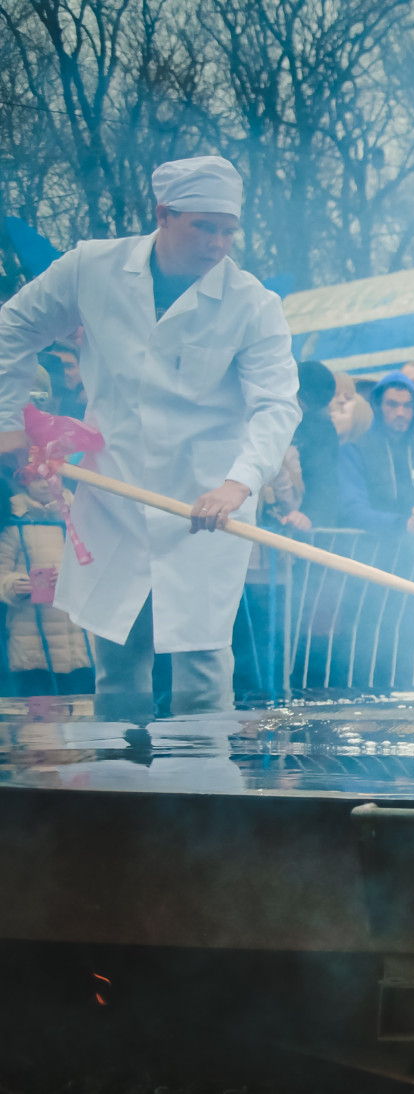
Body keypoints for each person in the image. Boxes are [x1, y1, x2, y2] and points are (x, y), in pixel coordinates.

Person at [0, 155, 300, 717]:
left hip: (206, 501)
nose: (217, 244)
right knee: (116, 658)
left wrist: (238, 484)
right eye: (204, 227)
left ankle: (200, 771)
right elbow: (12, 327)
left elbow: (277, 404)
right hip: (114, 489)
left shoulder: (253, 303)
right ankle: (119, 770)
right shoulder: (90, 267)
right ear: (164, 214)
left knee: (202, 665)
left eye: (228, 230)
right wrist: (8, 424)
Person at [1, 472, 95, 694]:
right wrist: (11, 585)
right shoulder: (12, 520)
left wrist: (70, 576)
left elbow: (99, 566)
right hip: (31, 636)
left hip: (78, 636)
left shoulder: (81, 515)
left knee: (82, 705)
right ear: (24, 481)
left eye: (51, 477)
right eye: (36, 478)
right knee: (38, 708)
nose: (45, 484)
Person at [339, 371, 414, 536]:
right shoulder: (355, 451)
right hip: (366, 548)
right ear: (378, 407)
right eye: (392, 405)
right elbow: (352, 509)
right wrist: (401, 524)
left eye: (407, 405)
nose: (400, 412)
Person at [287, 359, 343, 528]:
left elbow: (324, 478)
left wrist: (310, 515)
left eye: (306, 406)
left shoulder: (321, 427)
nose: (300, 408)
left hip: (294, 515)